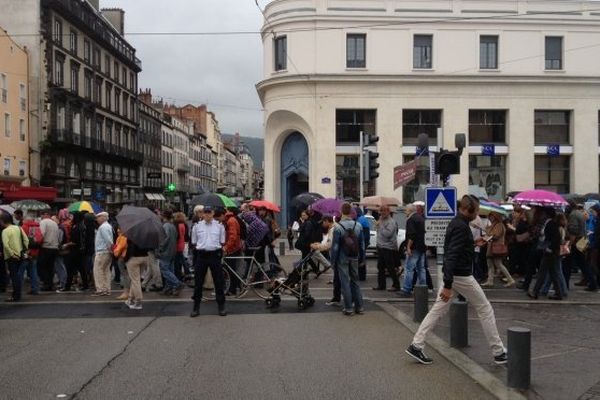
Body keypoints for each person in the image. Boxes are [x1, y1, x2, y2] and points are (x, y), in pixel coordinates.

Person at [406, 195, 507, 365]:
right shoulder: (461, 227)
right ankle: (498, 351)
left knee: (437, 310)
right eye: (476, 212)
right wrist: (447, 285)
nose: (477, 215)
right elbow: (452, 256)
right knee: (485, 308)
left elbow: (455, 249)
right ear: (469, 210)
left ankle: (416, 345)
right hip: (461, 276)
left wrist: (474, 243)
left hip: (455, 276)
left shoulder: (456, 223)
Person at [190, 206, 227, 317]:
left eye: (209, 212)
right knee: (198, 282)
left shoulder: (219, 226)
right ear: (202, 214)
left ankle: (221, 306)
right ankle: (196, 307)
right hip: (201, 255)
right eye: (205, 212)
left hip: (214, 255)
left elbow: (222, 241)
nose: (207, 215)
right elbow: (194, 241)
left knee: (218, 282)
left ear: (213, 213)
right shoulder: (197, 227)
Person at [330, 203, 365, 316]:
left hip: (342, 257)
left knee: (345, 282)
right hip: (354, 256)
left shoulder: (338, 227)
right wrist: (362, 258)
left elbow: (335, 247)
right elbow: (362, 244)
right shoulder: (358, 225)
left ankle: (348, 308)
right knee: (355, 281)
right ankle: (359, 307)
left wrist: (333, 261)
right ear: (351, 212)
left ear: (341, 212)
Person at [528, 208, 564, 300]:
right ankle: (559, 293)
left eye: (543, 213)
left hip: (550, 251)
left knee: (542, 272)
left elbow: (556, 238)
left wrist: (550, 248)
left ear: (547, 214)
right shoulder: (548, 223)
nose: (542, 215)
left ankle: (535, 292)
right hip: (549, 250)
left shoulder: (551, 224)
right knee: (553, 273)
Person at [310, 215, 339, 306]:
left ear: (327, 221)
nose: (322, 224)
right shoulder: (335, 228)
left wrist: (317, 246)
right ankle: (339, 298)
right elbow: (328, 243)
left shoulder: (333, 229)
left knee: (339, 280)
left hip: (337, 257)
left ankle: (339, 299)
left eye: (323, 222)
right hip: (337, 256)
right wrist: (319, 244)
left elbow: (329, 245)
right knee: (338, 279)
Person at [567, 205, 597, 291]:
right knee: (583, 263)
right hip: (582, 241)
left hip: (577, 242)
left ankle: (592, 283)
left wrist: (570, 244)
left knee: (576, 263)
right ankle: (592, 283)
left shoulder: (573, 215)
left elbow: (574, 231)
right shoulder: (579, 213)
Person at [482, 211, 515, 288]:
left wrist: (488, 234)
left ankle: (510, 279)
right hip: (492, 247)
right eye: (490, 216)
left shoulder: (499, 225)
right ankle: (490, 281)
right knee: (490, 264)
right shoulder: (494, 225)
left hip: (495, 247)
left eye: (492, 216)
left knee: (498, 264)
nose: (490, 218)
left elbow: (495, 235)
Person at [1, 213, 28, 302]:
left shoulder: (5, 231)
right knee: (17, 275)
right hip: (20, 255)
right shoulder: (18, 228)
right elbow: (26, 240)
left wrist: (12, 254)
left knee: (14, 276)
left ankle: (15, 296)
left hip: (11, 257)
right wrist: (24, 250)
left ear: (2, 221)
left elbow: (6, 245)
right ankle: (17, 295)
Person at [156, 210, 184, 296]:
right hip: (172, 251)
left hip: (166, 252)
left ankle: (177, 283)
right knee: (170, 270)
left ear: (164, 216)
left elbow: (165, 239)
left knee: (165, 270)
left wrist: (159, 248)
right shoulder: (172, 226)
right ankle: (169, 288)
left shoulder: (166, 226)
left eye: (161, 214)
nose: (159, 216)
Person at [399, 204, 426, 295]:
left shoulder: (411, 219)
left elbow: (411, 234)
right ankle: (423, 287)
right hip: (422, 246)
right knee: (421, 269)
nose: (405, 212)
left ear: (410, 210)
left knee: (409, 268)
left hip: (414, 247)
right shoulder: (421, 218)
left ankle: (406, 289)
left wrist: (408, 247)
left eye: (406, 210)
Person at [218, 208, 243, 295]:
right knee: (231, 269)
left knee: (230, 269)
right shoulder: (229, 220)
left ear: (222, 215)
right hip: (233, 247)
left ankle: (233, 289)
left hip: (233, 248)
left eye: (218, 218)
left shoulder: (231, 221)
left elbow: (233, 237)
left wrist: (226, 247)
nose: (218, 221)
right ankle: (235, 287)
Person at [63, 212, 88, 291]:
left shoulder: (76, 227)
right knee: (82, 269)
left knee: (70, 269)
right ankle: (85, 285)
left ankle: (67, 286)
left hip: (75, 251)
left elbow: (75, 241)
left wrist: (66, 245)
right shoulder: (82, 226)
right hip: (81, 251)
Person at [92, 212, 114, 296]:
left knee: (98, 270)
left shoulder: (103, 227)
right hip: (107, 251)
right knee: (106, 271)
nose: (97, 219)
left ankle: (100, 289)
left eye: (98, 217)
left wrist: (110, 248)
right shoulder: (108, 226)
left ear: (103, 217)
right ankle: (106, 289)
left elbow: (108, 240)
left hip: (102, 251)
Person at [124, 238, 149, 310]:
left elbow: (130, 249)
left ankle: (138, 301)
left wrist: (125, 259)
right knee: (136, 280)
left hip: (134, 258)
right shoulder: (145, 235)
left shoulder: (133, 235)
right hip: (145, 257)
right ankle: (130, 299)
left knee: (135, 280)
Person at [38, 211, 60, 291]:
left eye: (42, 214)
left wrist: (36, 243)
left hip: (46, 247)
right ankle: (50, 284)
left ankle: (46, 284)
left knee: (42, 267)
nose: (41, 216)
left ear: (45, 214)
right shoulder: (54, 223)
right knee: (50, 267)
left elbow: (41, 234)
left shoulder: (43, 222)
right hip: (54, 248)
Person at [113, 227, 130, 300]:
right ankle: (128, 292)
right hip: (126, 257)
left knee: (124, 275)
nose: (118, 230)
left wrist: (114, 252)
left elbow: (119, 248)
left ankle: (126, 292)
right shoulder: (127, 235)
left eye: (120, 228)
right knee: (127, 275)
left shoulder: (123, 237)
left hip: (122, 257)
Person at [173, 212, 190, 281]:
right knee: (181, 259)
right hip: (182, 244)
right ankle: (186, 272)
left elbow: (177, 236)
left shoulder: (177, 225)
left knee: (177, 261)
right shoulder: (184, 225)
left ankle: (182, 273)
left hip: (177, 245)